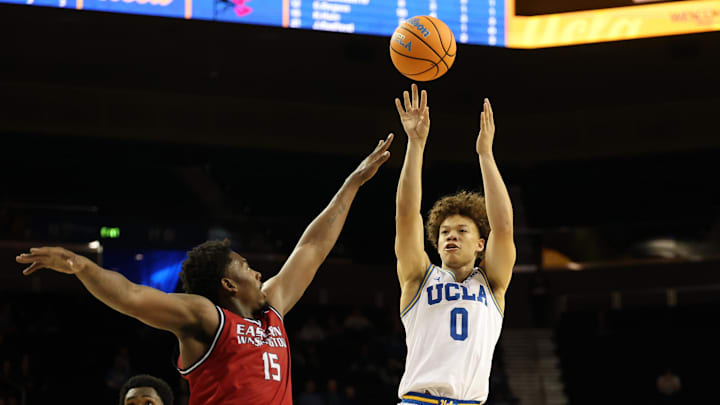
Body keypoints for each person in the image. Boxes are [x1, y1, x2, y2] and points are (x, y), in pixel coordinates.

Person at [16, 134, 394, 405]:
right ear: (228, 283)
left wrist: (352, 184)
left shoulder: (272, 309)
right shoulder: (206, 318)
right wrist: (82, 266)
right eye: (247, 267)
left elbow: (312, 247)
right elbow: (131, 296)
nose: (259, 273)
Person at [393, 84, 515, 404]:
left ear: (480, 245)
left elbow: (503, 228)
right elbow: (406, 217)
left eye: (462, 231)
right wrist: (416, 144)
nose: (451, 236)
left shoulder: (492, 284)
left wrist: (485, 155)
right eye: (445, 232)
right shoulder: (419, 277)